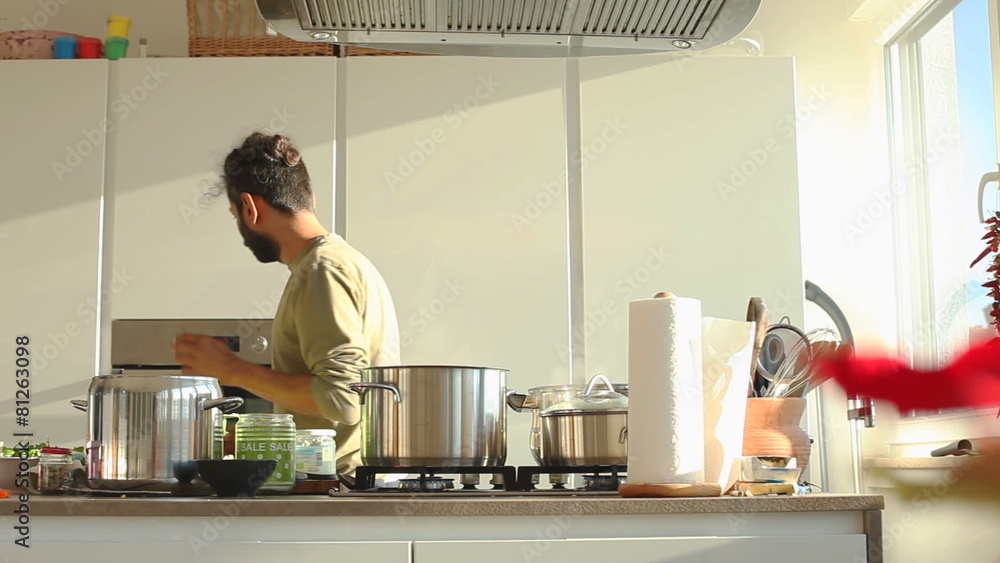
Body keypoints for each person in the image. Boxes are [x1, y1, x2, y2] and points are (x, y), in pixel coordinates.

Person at [172, 132, 400, 477]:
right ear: (310, 199)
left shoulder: (322, 271)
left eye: (235, 215)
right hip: (341, 486)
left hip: (337, 489)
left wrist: (231, 370)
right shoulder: (339, 263)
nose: (240, 228)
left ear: (249, 208)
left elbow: (342, 399)